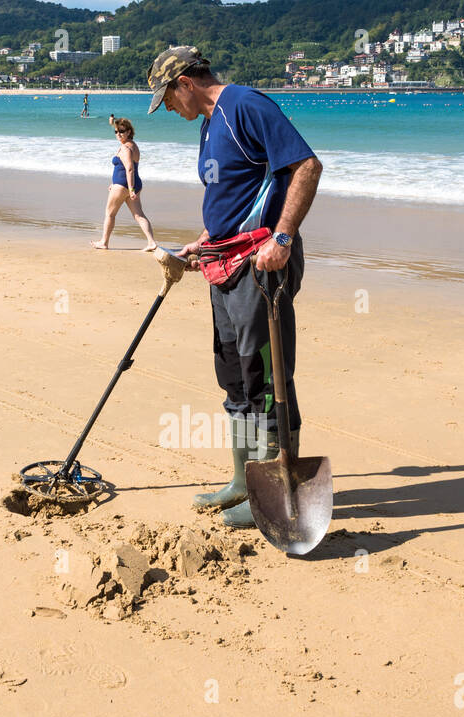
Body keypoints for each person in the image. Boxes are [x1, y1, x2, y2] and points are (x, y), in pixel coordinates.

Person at [149, 47, 323, 529]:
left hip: (259, 265)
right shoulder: (210, 123)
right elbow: (240, 194)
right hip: (221, 261)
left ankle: (277, 490)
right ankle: (243, 482)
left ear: (185, 82)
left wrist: (282, 239)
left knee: (267, 378)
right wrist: (204, 241)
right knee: (234, 376)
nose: (166, 107)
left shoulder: (246, 105)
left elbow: (306, 167)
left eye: (166, 96)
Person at [90, 117, 158, 252]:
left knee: (110, 214)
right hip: (131, 184)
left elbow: (129, 168)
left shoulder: (125, 148)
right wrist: (115, 183)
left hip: (124, 185)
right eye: (116, 131)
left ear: (128, 131)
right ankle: (151, 242)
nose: (118, 134)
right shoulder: (133, 145)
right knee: (139, 215)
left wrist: (130, 189)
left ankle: (104, 242)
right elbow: (123, 168)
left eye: (121, 131)